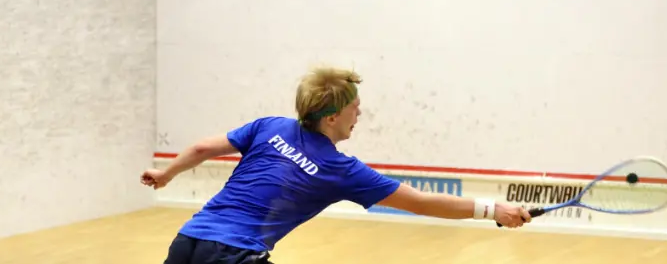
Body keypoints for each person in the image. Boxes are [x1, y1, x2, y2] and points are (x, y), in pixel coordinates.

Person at [141, 66, 532, 264]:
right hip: (232, 254)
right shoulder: (340, 170)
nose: (358, 116)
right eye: (354, 109)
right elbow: (423, 202)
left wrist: (166, 174)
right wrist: (494, 210)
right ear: (331, 118)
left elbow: (201, 147)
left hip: (187, 241)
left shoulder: (270, 126)